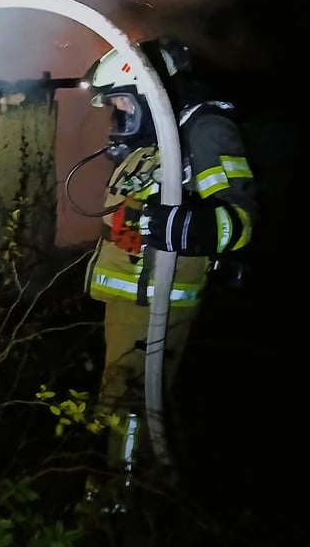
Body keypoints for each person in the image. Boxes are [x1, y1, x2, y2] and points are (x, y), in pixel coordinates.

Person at [77, 38, 258, 511]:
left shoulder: (205, 131)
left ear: (149, 95)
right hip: (132, 299)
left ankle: (126, 506)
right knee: (119, 401)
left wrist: (190, 226)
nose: (118, 115)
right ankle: (120, 492)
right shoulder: (157, 142)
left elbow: (241, 219)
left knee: (130, 406)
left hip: (160, 300)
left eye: (122, 103)